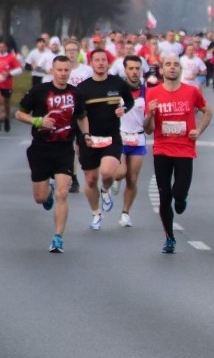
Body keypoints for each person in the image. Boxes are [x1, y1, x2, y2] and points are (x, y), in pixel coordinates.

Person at [14, 55, 89, 253]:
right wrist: (38, 121)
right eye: (60, 70)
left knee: (63, 193)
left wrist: (87, 135)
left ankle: (58, 237)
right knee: (39, 197)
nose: (63, 74)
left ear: (70, 71)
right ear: (52, 70)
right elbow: (19, 113)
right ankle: (46, 195)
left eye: (66, 70)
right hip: (40, 148)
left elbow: (82, 117)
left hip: (64, 148)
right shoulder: (40, 91)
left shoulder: (76, 94)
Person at [145, 52, 212, 254]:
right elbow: (148, 129)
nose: (172, 67)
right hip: (162, 148)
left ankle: (181, 199)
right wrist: (151, 114)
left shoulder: (191, 92)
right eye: (168, 64)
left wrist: (198, 131)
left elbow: (208, 111)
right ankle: (169, 237)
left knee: (178, 194)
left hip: (184, 149)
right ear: (162, 69)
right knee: (165, 196)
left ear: (180, 70)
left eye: (176, 64)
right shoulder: (152, 93)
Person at [76, 48, 134, 230]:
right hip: (89, 139)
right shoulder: (83, 88)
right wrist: (82, 138)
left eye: (103, 60)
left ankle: (106, 189)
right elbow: (78, 115)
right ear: (91, 63)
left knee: (108, 173)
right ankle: (96, 213)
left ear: (108, 63)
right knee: (91, 179)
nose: (101, 63)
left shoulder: (117, 83)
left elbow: (130, 101)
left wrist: (124, 109)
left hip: (111, 137)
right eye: (97, 60)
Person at [111, 56, 150, 227]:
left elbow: (150, 115)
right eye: (131, 68)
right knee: (120, 173)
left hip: (138, 137)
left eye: (137, 69)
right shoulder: (116, 90)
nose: (134, 72)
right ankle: (115, 179)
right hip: (120, 135)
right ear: (125, 70)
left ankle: (125, 213)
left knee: (132, 179)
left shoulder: (146, 92)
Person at [64, 38, 93, 194]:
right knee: (70, 147)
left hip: (83, 112)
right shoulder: (62, 70)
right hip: (67, 113)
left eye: (74, 51)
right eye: (68, 51)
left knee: (81, 148)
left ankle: (84, 169)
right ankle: (73, 178)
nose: (71, 54)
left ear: (78, 53)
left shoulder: (86, 71)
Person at [0, 40, 23, 132]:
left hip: (7, 84)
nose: (1, 48)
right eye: (0, 47)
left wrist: (9, 73)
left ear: (6, 48)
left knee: (6, 103)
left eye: (3, 47)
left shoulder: (11, 58)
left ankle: (7, 119)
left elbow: (19, 69)